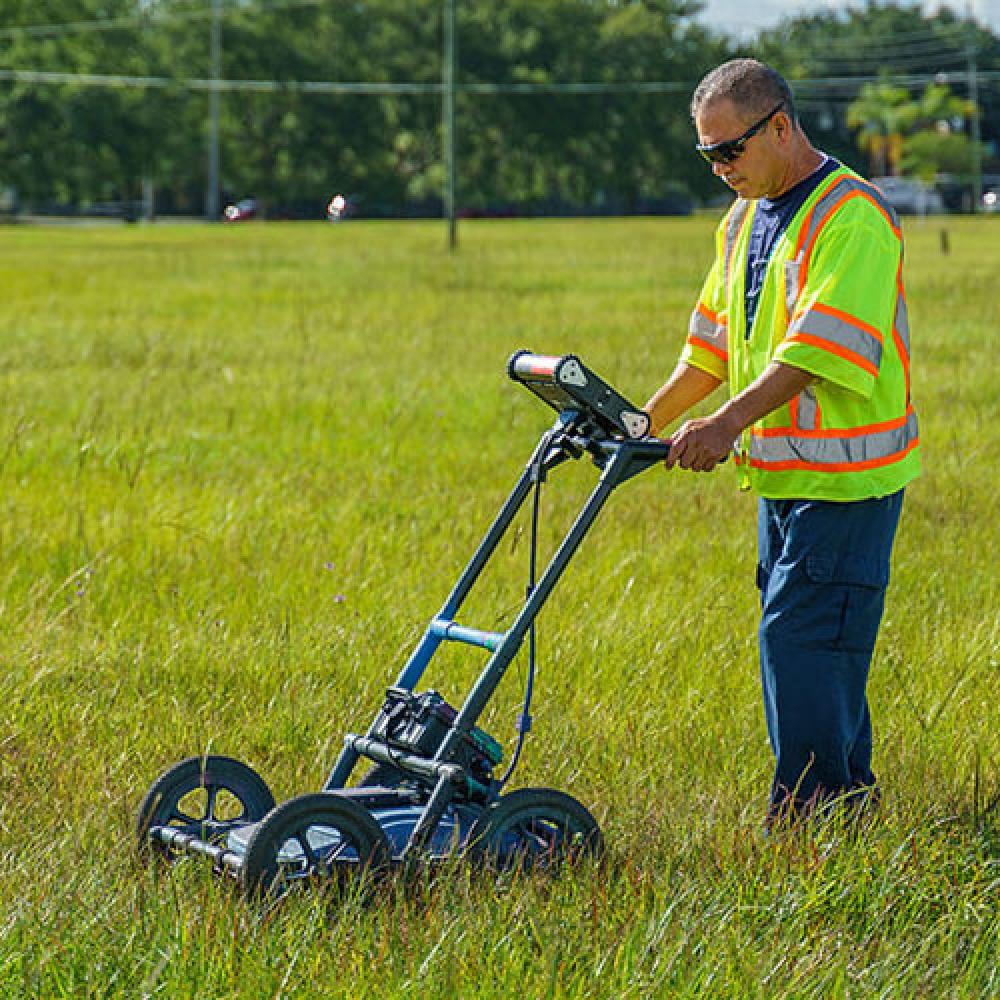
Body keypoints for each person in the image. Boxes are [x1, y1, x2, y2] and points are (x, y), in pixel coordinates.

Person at [644, 59, 921, 826]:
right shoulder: (743, 223)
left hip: (850, 483)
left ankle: (810, 817)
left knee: (799, 643)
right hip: (784, 481)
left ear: (779, 127)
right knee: (814, 653)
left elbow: (817, 350)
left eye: (728, 151)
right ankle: (846, 808)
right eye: (706, 157)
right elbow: (709, 346)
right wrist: (642, 421)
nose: (719, 170)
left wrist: (728, 423)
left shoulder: (850, 216)